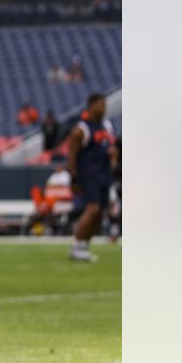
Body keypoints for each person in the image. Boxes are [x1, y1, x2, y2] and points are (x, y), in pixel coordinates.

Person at [66, 93, 117, 262]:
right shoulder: (81, 129)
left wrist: (113, 158)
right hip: (88, 175)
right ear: (91, 105)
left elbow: (109, 147)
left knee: (99, 213)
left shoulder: (106, 126)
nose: (104, 108)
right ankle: (77, 244)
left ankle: (84, 246)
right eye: (101, 105)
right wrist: (73, 178)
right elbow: (72, 155)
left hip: (104, 174)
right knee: (93, 209)